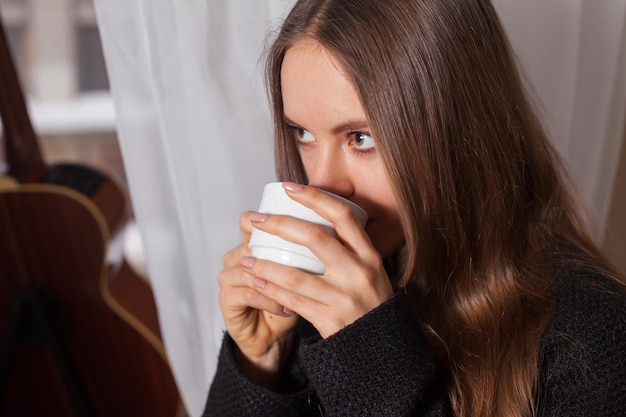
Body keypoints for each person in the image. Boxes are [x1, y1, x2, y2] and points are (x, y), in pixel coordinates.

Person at [203, 0, 626, 415]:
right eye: (303, 133)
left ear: (458, 129)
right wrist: (261, 364)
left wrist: (371, 359)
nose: (323, 184)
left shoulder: (593, 337)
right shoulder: (326, 295)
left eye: (360, 138)